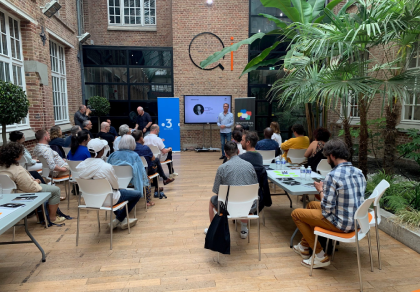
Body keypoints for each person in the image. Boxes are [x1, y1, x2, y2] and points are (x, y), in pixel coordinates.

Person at [291, 139, 366, 269]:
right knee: (311, 205)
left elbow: (327, 208)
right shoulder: (359, 172)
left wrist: (320, 189)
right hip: (356, 220)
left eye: (327, 157)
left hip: (341, 223)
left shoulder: (333, 175)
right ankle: (304, 246)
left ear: (332, 156)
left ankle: (320, 256)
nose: (327, 161)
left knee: (296, 214)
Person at [77, 138, 141, 229]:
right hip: (107, 199)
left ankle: (120, 219)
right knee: (137, 194)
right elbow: (116, 186)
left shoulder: (81, 166)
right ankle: (119, 219)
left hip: (90, 199)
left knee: (114, 191)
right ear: (102, 151)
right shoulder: (106, 167)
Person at [0, 142, 66, 224]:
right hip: (22, 192)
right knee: (56, 190)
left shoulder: (2, 167)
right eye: (21, 153)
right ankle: (52, 217)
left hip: (7, 194)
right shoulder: (17, 170)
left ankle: (41, 217)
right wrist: (36, 181)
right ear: (16, 156)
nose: (22, 155)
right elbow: (31, 188)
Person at [206, 141, 258, 239]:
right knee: (245, 198)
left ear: (225, 153)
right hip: (249, 206)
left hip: (228, 207)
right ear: (238, 151)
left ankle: (213, 229)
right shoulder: (249, 165)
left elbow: (217, 191)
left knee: (212, 201)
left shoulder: (222, 168)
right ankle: (243, 228)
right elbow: (255, 186)